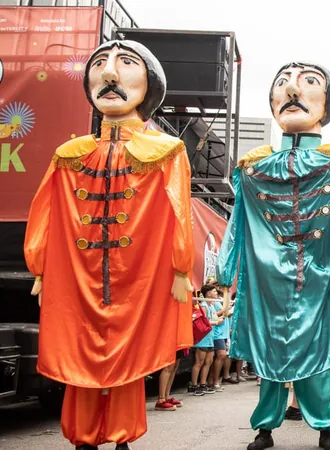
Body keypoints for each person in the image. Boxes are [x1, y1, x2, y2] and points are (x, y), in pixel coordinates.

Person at [24, 40, 193, 450]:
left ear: (150, 83)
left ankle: (121, 438)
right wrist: (41, 269)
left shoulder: (167, 152)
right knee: (78, 350)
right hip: (76, 273)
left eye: (125, 63)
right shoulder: (69, 154)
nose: (110, 75)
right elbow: (45, 213)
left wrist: (181, 270)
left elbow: (179, 213)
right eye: (100, 64)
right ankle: (82, 438)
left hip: (140, 273)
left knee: (131, 354)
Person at [216, 61, 330, 450]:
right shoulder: (252, 168)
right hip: (267, 279)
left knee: (318, 352)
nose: (292, 91)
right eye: (283, 84)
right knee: (270, 353)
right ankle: (265, 427)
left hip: (322, 277)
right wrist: (225, 277)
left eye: (307, 83)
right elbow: (237, 225)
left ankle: (324, 425)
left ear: (327, 101)